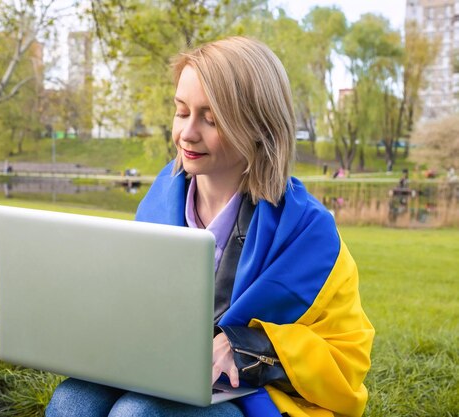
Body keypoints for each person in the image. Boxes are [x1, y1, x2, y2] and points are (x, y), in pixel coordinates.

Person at [46, 36, 374, 417]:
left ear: (258, 127)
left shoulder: (308, 231)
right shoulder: (160, 199)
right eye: (181, 111)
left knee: (138, 414)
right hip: (160, 367)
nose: (187, 132)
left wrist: (243, 345)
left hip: (251, 394)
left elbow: (346, 353)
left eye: (211, 119)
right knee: (71, 402)